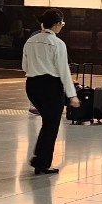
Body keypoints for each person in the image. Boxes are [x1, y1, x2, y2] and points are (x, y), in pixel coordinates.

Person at [21, 9, 80, 175]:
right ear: (56, 24)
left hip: (32, 85)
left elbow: (24, 66)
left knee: (48, 122)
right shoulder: (58, 44)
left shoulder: (30, 41)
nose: (62, 26)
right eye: (62, 23)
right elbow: (63, 71)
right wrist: (72, 95)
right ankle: (41, 162)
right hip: (51, 86)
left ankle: (39, 159)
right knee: (51, 125)